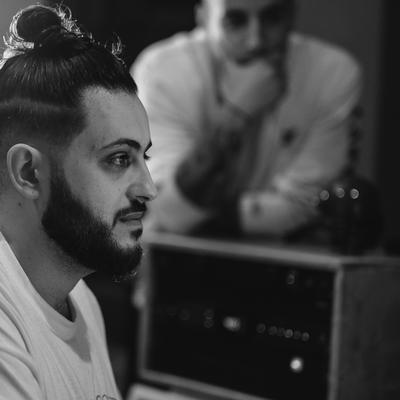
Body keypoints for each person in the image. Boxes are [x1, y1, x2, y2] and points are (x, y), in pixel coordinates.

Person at [0, 4, 156, 400]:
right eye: (119, 159)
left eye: (144, 157)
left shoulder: (81, 300)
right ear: (29, 173)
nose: (148, 188)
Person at [131, 0, 362, 237]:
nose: (256, 42)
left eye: (272, 18)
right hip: (172, 253)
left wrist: (192, 218)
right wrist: (236, 115)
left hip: (284, 253)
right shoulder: (161, 70)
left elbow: (305, 204)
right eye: (235, 22)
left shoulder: (331, 73)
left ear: (291, 15)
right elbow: (170, 210)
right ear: (203, 18)